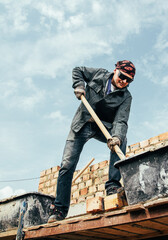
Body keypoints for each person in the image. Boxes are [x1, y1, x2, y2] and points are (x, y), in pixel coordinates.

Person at [48, 60, 136, 222]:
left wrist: (116, 137)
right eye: (122, 76)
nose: (123, 81)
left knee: (122, 139)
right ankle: (59, 210)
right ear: (115, 71)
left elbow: (121, 121)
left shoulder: (126, 97)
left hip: (102, 126)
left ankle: (112, 186)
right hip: (82, 124)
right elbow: (78, 70)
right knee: (67, 165)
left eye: (128, 80)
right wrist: (79, 86)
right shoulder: (99, 74)